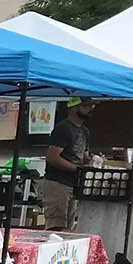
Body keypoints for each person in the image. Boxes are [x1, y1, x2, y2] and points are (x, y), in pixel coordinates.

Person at [41, 98, 97, 231]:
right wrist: (77, 168)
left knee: (69, 228)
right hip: (57, 183)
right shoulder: (63, 129)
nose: (91, 109)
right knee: (56, 226)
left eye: (92, 105)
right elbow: (52, 157)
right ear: (73, 107)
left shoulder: (85, 131)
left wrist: (94, 161)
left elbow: (84, 156)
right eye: (86, 106)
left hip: (73, 184)